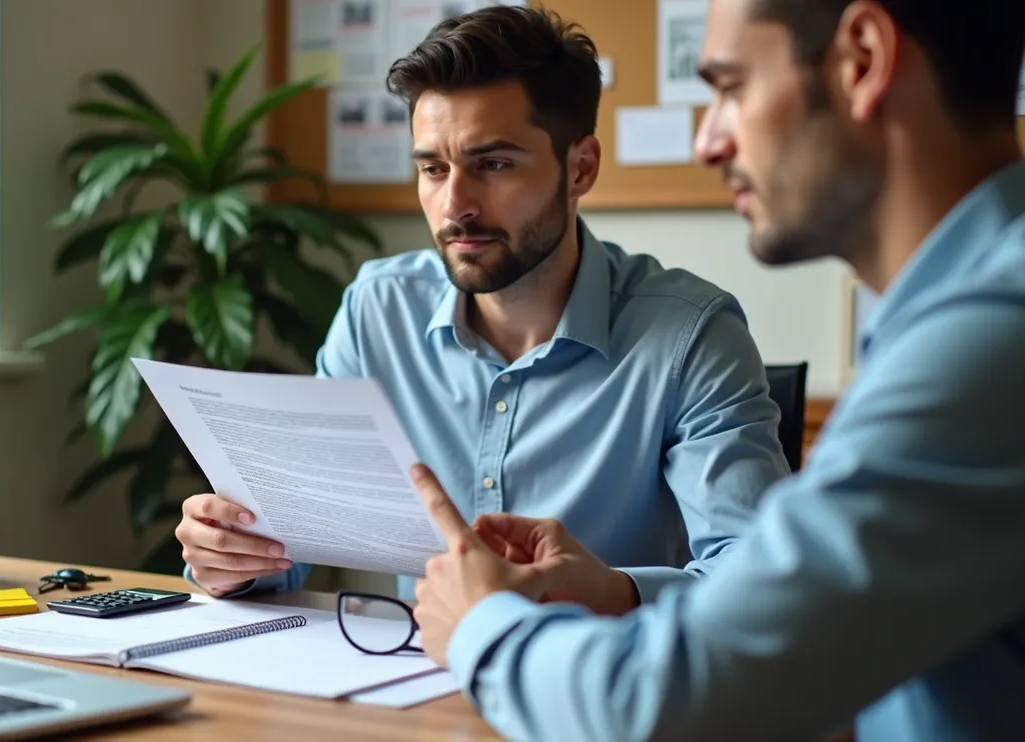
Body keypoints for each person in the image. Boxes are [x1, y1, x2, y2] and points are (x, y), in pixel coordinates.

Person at [409, 0, 1025, 740]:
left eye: (730, 87)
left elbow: (668, 703)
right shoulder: (959, 320)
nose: (708, 140)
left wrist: (481, 623)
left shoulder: (989, 340)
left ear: (862, 60)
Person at [175, 5, 791, 605]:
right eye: (433, 169)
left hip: (607, 686)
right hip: (413, 693)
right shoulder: (376, 313)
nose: (454, 206)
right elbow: (299, 534)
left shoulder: (690, 337)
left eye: (492, 164)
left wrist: (610, 591)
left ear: (581, 168)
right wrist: (234, 556)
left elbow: (758, 575)